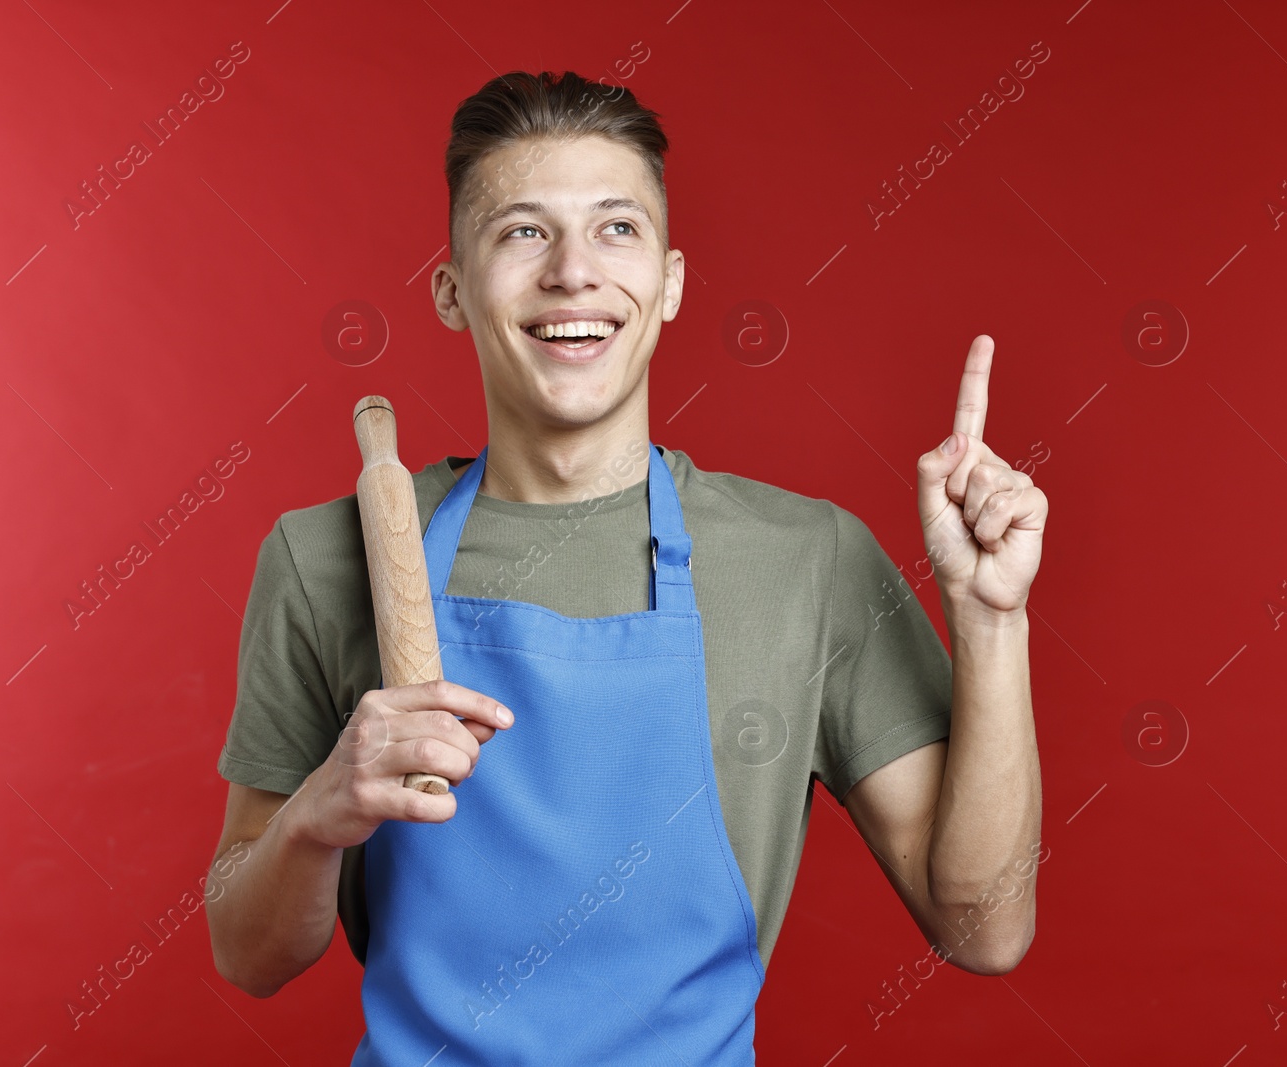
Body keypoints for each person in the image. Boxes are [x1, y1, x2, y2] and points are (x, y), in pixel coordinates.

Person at [206, 70, 1046, 1063]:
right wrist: (318, 812)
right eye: (522, 232)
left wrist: (990, 619)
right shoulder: (323, 557)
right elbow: (247, 949)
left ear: (671, 281)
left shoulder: (803, 557)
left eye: (616, 228)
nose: (573, 271)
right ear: (449, 288)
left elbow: (984, 928)